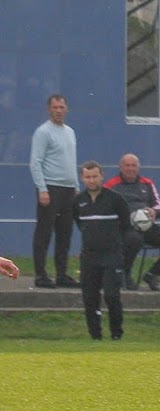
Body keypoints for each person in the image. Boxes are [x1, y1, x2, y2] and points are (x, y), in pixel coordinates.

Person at [104, 154, 160, 291]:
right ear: (120, 167)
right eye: (127, 165)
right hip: (124, 228)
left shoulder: (147, 183)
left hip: (146, 225)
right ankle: (125, 274)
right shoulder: (111, 185)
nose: (130, 169)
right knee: (134, 240)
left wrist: (154, 211)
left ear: (138, 167)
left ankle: (153, 274)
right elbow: (104, 208)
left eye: (133, 165)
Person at [73, 161, 132, 341]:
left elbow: (126, 226)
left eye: (95, 176)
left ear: (102, 176)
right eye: (87, 177)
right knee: (90, 298)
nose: (91, 180)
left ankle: (116, 333)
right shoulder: (78, 201)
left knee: (112, 295)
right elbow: (79, 223)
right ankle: (95, 336)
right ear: (82, 178)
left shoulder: (115, 199)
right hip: (89, 256)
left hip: (111, 255)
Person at [29, 94, 79, 289]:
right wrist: (42, 189)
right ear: (49, 109)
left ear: (67, 109)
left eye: (62, 107)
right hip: (50, 188)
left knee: (65, 234)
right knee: (44, 233)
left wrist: (76, 187)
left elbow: (71, 161)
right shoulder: (43, 132)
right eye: (55, 107)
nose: (59, 110)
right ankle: (40, 275)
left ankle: (61, 274)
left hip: (68, 190)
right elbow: (35, 162)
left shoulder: (70, 132)